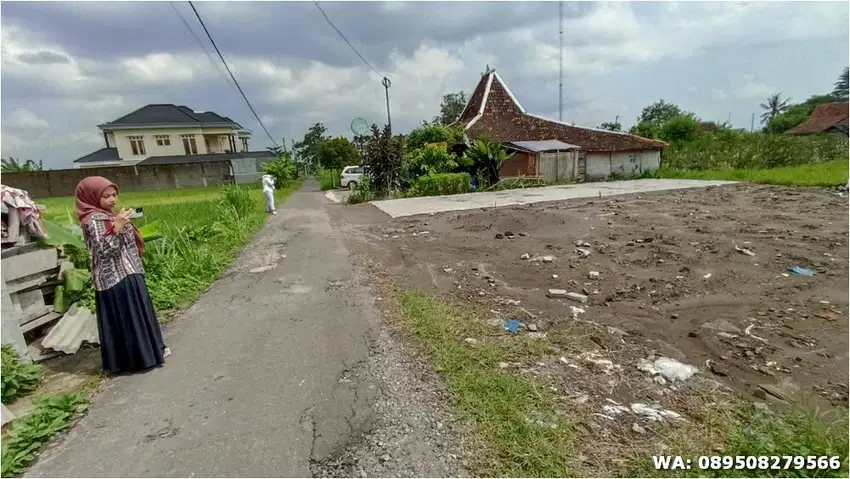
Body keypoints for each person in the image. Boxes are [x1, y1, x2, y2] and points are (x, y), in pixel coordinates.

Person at [75, 176, 169, 374]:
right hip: (114, 278)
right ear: (91, 197)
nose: (112, 200)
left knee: (140, 314)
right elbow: (105, 252)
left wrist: (121, 223)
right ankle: (135, 360)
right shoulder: (93, 220)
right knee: (128, 319)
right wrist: (117, 228)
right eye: (105, 196)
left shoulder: (109, 214)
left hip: (130, 271)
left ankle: (152, 351)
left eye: (114, 195)